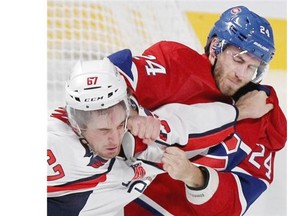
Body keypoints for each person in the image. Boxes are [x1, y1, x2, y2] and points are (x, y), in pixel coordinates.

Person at [107, 5, 287, 216]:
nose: (241, 74)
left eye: (251, 68)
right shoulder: (176, 63)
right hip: (113, 199)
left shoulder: (262, 121)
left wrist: (193, 176)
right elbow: (110, 76)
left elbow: (233, 205)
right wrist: (132, 110)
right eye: (238, 59)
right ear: (215, 48)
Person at [47, 57, 270, 215]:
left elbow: (184, 122)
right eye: (103, 130)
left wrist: (241, 111)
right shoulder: (59, 146)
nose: (114, 138)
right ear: (77, 123)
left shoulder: (140, 132)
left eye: (119, 123)